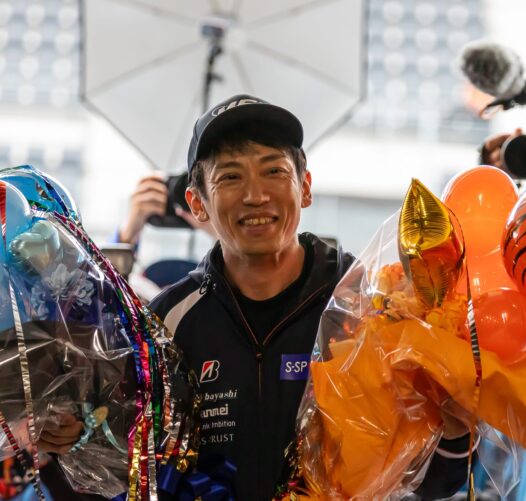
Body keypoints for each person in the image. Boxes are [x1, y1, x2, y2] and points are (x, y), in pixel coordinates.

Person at [41, 94, 472, 500]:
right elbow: (128, 474)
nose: (255, 195)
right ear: (197, 203)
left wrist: (455, 429)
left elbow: (430, 480)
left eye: (274, 171)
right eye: (230, 177)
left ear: (305, 187)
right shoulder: (167, 322)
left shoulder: (368, 306)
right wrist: (69, 440)